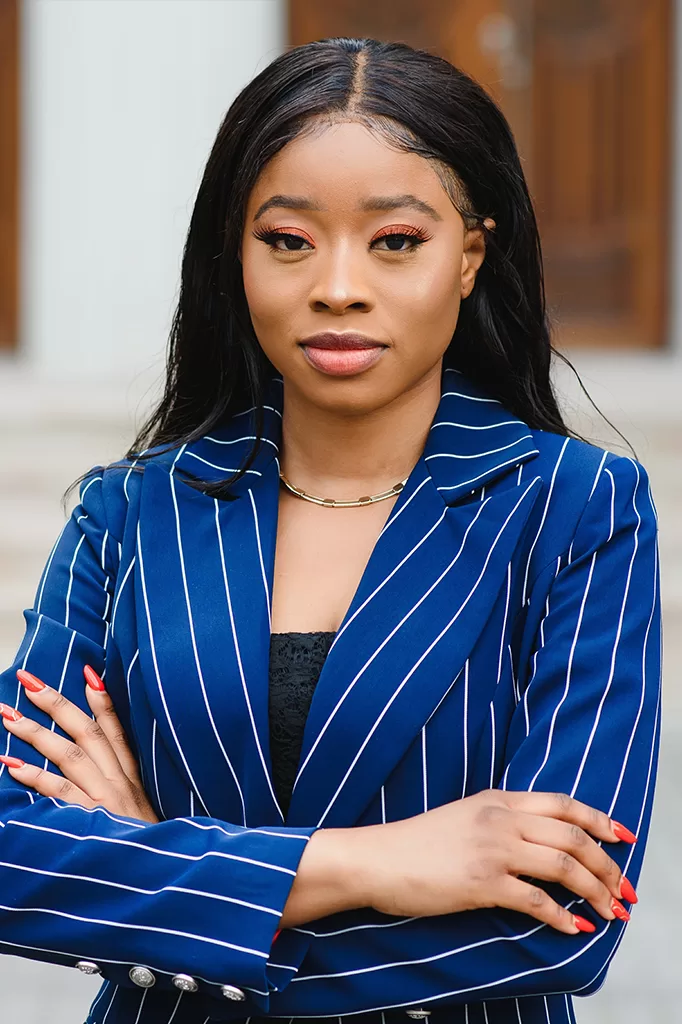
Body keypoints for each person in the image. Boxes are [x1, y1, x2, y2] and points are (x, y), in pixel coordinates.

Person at [0, 36, 660, 1024]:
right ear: (235, 255)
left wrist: (154, 872)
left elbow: (560, 920)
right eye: (288, 240)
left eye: (394, 241)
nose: (338, 285)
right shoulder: (132, 512)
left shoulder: (575, 508)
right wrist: (374, 860)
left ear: (469, 253)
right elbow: (11, 857)